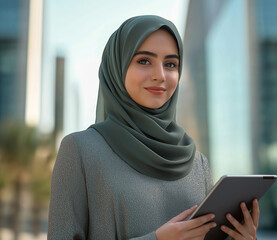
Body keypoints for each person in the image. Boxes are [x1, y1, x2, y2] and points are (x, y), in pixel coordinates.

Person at [48, 15, 259, 240]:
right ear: (117, 67)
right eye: (144, 61)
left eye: (170, 64)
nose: (160, 75)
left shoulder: (197, 164)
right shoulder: (80, 150)